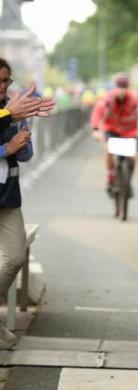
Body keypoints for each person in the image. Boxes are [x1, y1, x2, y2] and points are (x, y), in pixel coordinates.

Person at [0, 58, 41, 348]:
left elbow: (26, 156)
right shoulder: (7, 111)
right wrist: (5, 148)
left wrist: (22, 144)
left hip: (8, 196)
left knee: (15, 256)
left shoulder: (16, 108)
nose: (3, 87)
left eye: (6, 81)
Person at [90, 73, 138, 195]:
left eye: (124, 87)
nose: (122, 90)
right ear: (115, 87)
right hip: (112, 130)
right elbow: (97, 112)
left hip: (130, 132)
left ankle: (128, 181)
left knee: (133, 157)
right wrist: (95, 129)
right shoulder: (108, 98)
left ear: (128, 87)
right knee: (109, 151)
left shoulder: (135, 98)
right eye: (119, 87)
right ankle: (111, 175)